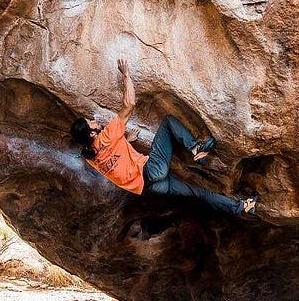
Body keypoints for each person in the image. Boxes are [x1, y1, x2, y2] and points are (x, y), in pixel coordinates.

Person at [70, 58, 257, 216]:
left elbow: (112, 160)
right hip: (152, 170)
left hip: (150, 188)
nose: (94, 120)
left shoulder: (90, 157)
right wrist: (126, 75)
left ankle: (242, 207)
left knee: (200, 194)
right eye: (91, 123)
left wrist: (125, 141)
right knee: (168, 122)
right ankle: (195, 149)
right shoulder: (108, 135)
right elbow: (130, 104)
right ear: (92, 132)